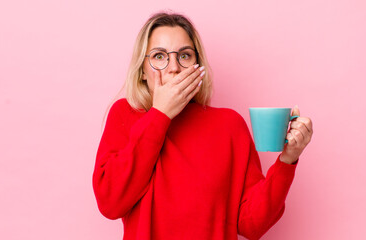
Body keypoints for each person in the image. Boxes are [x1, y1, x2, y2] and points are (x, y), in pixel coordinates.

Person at [92, 11, 313, 240]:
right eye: (159, 56)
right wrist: (160, 115)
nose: (174, 67)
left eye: (185, 56)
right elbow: (110, 203)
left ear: (198, 66)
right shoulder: (125, 115)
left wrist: (288, 160)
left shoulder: (229, 125)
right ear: (142, 72)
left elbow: (251, 224)